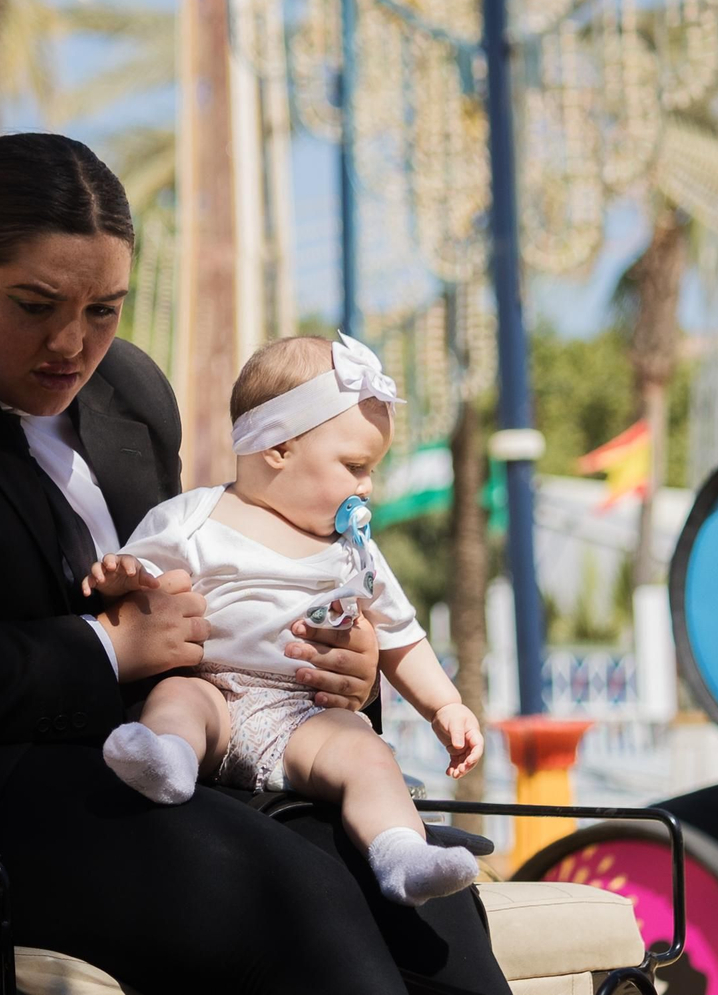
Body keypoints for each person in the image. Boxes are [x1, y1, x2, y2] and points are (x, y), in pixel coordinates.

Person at [0, 131, 512, 995]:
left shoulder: (130, 393)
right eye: (35, 305)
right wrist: (107, 649)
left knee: (429, 909)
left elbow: (210, 591)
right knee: (287, 895)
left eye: (104, 309)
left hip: (147, 759)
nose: (73, 342)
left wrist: (346, 670)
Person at [91, 334, 485, 906]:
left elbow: (401, 636)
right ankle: (167, 760)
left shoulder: (354, 550)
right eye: (354, 466)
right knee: (175, 700)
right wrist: (121, 574)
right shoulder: (195, 518)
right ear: (277, 448)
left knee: (368, 753)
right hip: (216, 690)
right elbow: (143, 579)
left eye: (371, 468)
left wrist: (443, 706)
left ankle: (401, 852)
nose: (366, 486)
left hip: (304, 714)